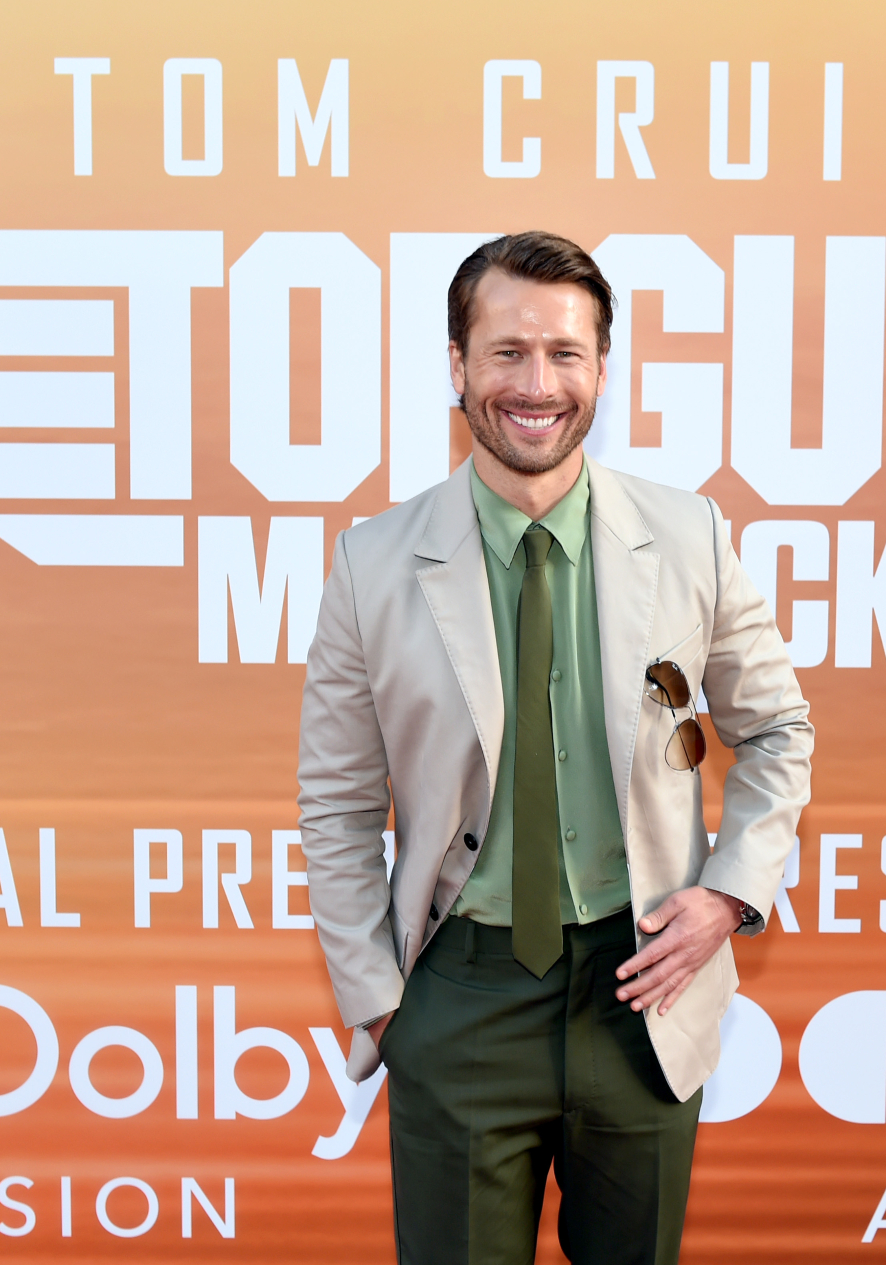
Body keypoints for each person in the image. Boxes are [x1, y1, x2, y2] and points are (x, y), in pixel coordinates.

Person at [298, 231, 812, 1264]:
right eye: (506, 352)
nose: (536, 384)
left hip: (642, 992)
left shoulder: (687, 536)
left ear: (601, 370)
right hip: (463, 992)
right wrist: (384, 1004)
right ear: (457, 366)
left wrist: (724, 894)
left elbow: (777, 730)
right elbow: (338, 798)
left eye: (564, 354)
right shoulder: (371, 562)